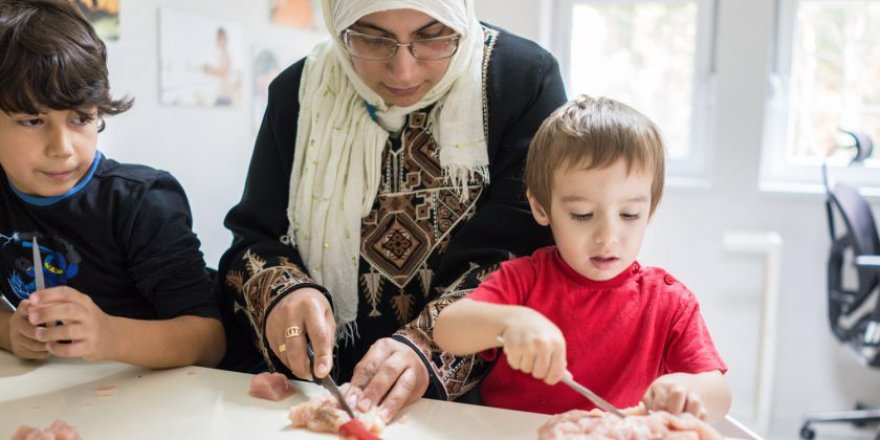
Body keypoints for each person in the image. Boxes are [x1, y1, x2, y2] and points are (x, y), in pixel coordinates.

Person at [218, 0, 565, 422]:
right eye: (371, 38)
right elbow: (252, 244)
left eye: (433, 36)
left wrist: (426, 349)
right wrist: (284, 299)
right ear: (338, 25)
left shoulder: (519, 81)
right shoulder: (299, 93)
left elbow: (528, 251)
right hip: (316, 392)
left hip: (472, 406)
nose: (404, 70)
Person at [434, 95, 731, 421]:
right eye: (582, 214)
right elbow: (448, 330)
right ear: (541, 208)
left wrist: (688, 389)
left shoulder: (670, 302)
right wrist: (511, 322)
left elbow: (718, 394)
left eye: (629, 214)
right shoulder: (525, 280)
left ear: (651, 211)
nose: (607, 235)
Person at [0, 0, 225, 369]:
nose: (62, 149)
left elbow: (208, 340)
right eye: (32, 121)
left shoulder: (142, 201)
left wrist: (108, 335)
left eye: (80, 118)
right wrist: (11, 331)